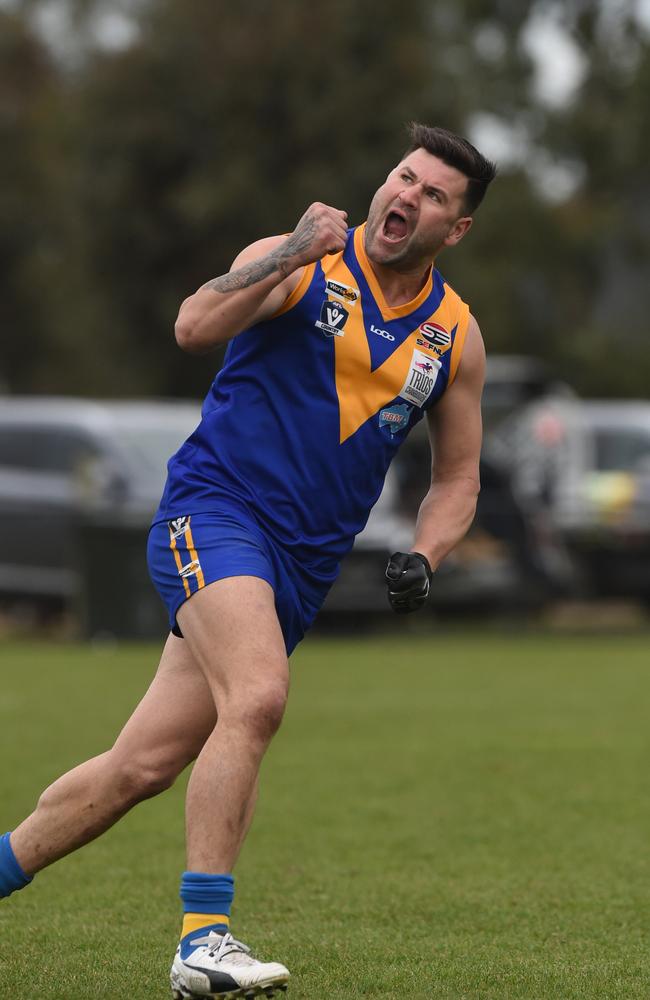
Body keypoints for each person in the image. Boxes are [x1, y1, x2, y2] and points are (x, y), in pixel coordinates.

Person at [0, 123, 496, 999]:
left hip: (296, 570)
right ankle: (203, 939)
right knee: (260, 694)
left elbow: (458, 478)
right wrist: (289, 253)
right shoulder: (303, 257)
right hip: (213, 512)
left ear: (454, 230)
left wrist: (426, 551)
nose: (407, 197)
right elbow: (193, 324)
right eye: (403, 178)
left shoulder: (455, 336)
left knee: (139, 768)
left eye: (433, 196)